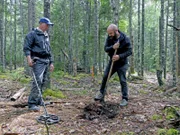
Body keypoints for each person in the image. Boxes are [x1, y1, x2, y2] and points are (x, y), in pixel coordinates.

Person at [94, 24, 132, 106]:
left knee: (122, 80)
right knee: (105, 76)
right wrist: (112, 47)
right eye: (108, 33)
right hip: (112, 62)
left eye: (111, 33)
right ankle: (101, 93)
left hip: (122, 63)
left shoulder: (125, 39)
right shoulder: (110, 38)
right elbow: (106, 48)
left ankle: (125, 98)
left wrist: (119, 56)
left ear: (116, 31)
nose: (109, 35)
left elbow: (130, 51)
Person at [23, 17, 54, 111]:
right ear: (41, 24)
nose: (48, 27)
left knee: (43, 81)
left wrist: (51, 62)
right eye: (47, 25)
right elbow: (26, 48)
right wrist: (29, 59)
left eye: (49, 25)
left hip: (46, 61)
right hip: (37, 61)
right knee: (37, 81)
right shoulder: (32, 34)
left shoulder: (46, 35)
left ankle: (39, 100)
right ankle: (32, 103)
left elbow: (49, 50)